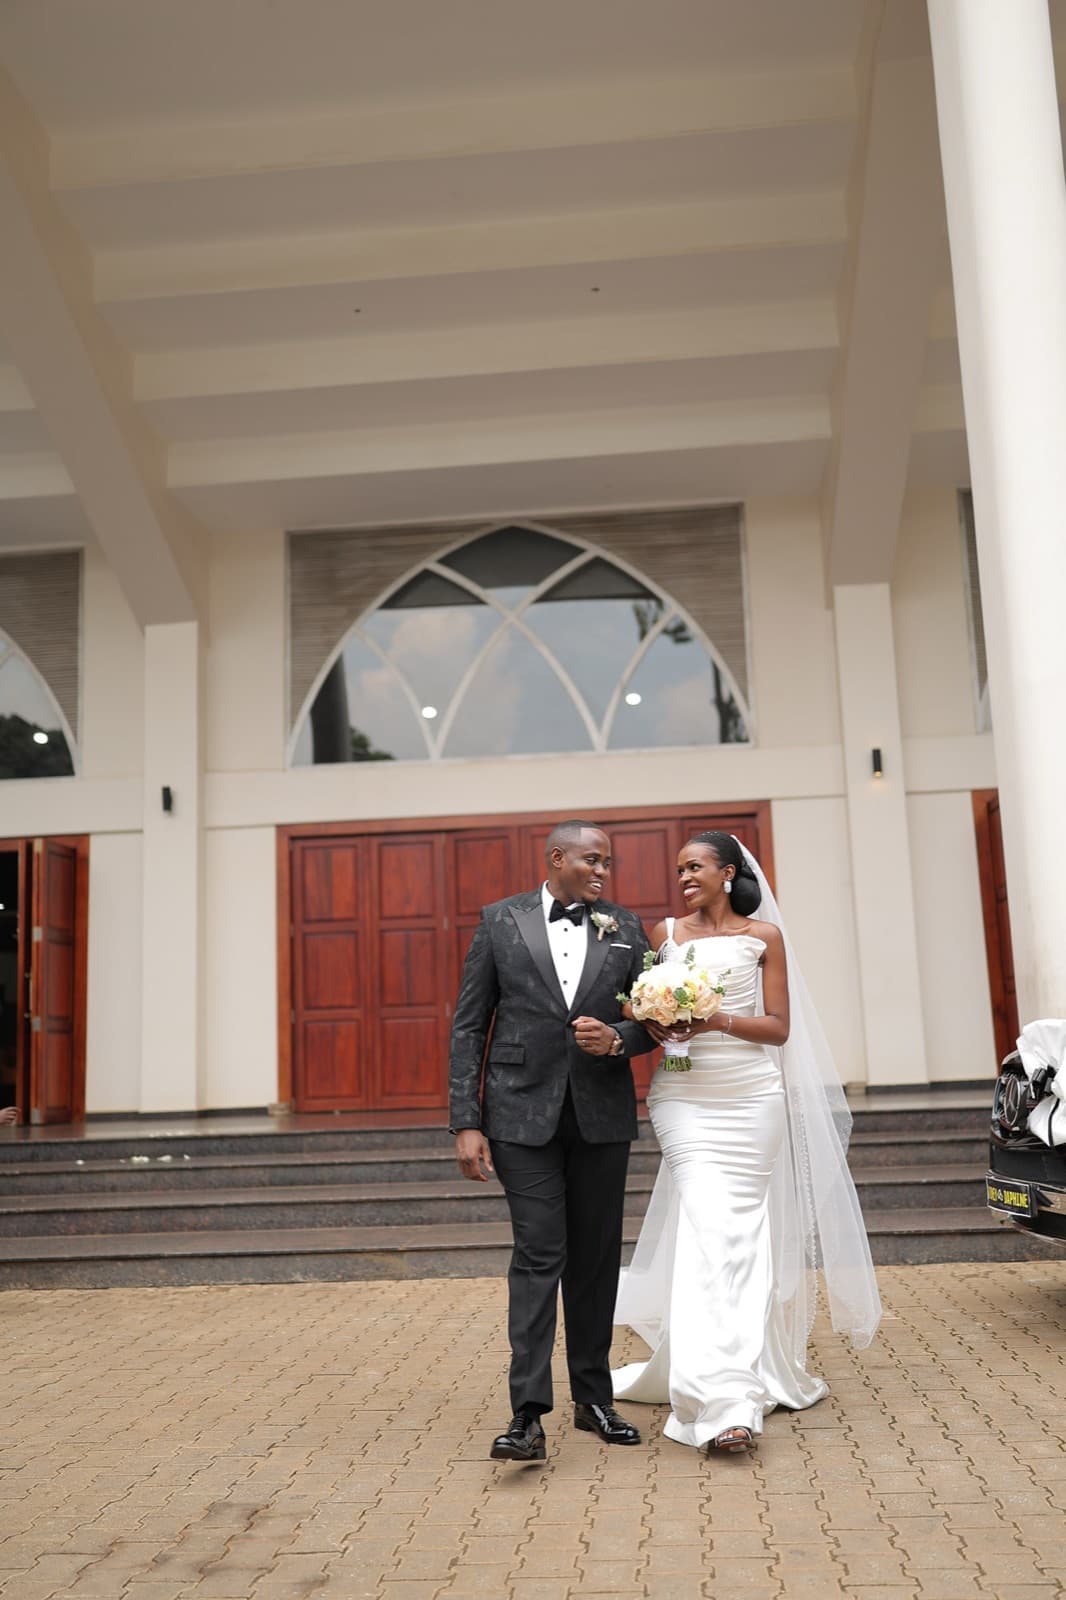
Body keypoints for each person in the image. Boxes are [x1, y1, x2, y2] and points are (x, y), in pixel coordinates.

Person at [613, 831, 881, 1454]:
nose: (683, 877)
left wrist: (712, 1019)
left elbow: (779, 1029)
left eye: (695, 866)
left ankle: (732, 1379)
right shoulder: (666, 936)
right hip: (684, 1101)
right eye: (677, 868)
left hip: (751, 1099)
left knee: (737, 1237)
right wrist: (647, 1015)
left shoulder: (764, 939)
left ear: (728, 872)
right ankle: (724, 1401)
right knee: (714, 1230)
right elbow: (639, 1013)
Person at [449, 819, 655, 1463]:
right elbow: (469, 1025)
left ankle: (594, 1400)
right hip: (519, 1117)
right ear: (557, 857)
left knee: (595, 1261)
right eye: (593, 860)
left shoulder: (626, 926)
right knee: (540, 1255)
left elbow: (654, 1018)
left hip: (601, 1116)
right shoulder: (498, 921)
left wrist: (620, 1037)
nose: (603, 872)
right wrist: (466, 1121)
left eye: (609, 864)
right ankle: (527, 1414)